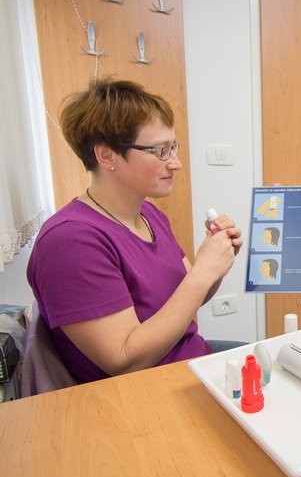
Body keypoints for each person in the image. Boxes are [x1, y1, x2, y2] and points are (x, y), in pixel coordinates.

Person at [27, 77, 244, 384]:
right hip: (143, 395)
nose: (177, 163)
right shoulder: (70, 242)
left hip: (189, 361)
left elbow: (187, 298)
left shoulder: (149, 215)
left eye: (174, 147)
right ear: (107, 156)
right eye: (161, 151)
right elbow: (124, 360)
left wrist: (217, 263)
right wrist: (203, 271)